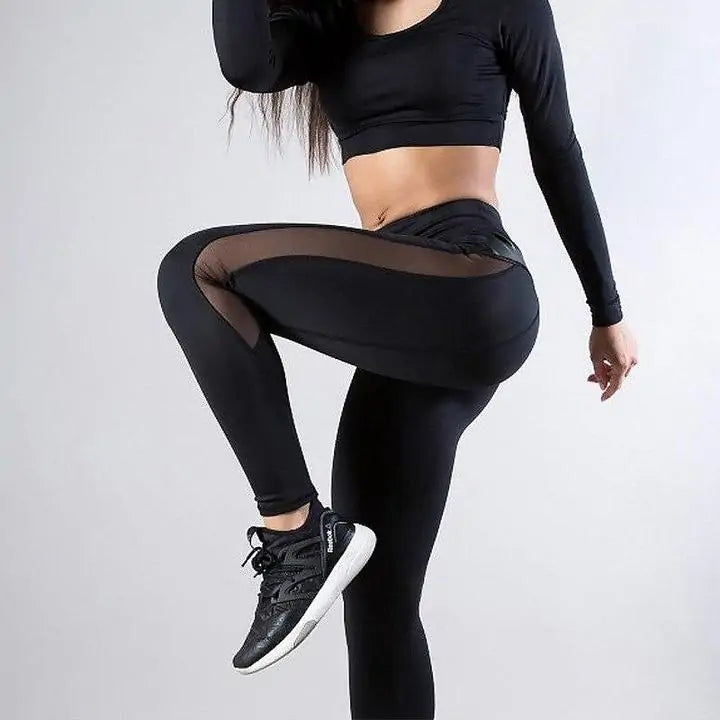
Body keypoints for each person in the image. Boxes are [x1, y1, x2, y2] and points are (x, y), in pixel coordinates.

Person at [156, 0, 639, 716]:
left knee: (197, 268)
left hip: (474, 284)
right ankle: (310, 546)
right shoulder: (331, 21)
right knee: (377, 603)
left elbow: (557, 147)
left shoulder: (505, 6)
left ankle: (295, 535)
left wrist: (607, 311)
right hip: (405, 314)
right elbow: (246, 64)